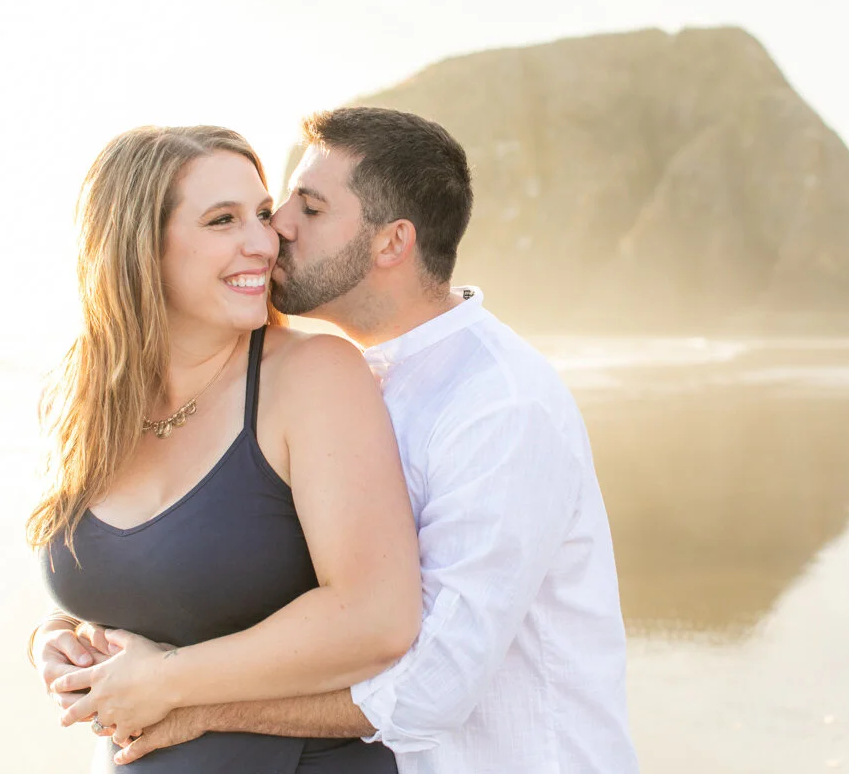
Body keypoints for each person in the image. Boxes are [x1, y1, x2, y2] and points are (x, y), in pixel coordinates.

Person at [43, 107, 640, 773]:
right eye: (271, 209)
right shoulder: (342, 375)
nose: (276, 233)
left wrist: (181, 700)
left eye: (308, 209)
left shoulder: (498, 407)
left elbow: (428, 687)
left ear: (391, 244)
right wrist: (62, 639)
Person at [28, 124, 422, 772]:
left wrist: (171, 681)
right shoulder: (79, 397)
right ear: (138, 246)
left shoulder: (314, 376)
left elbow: (377, 617)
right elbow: (129, 577)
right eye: (223, 221)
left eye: (262, 215)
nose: (263, 242)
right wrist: (53, 638)